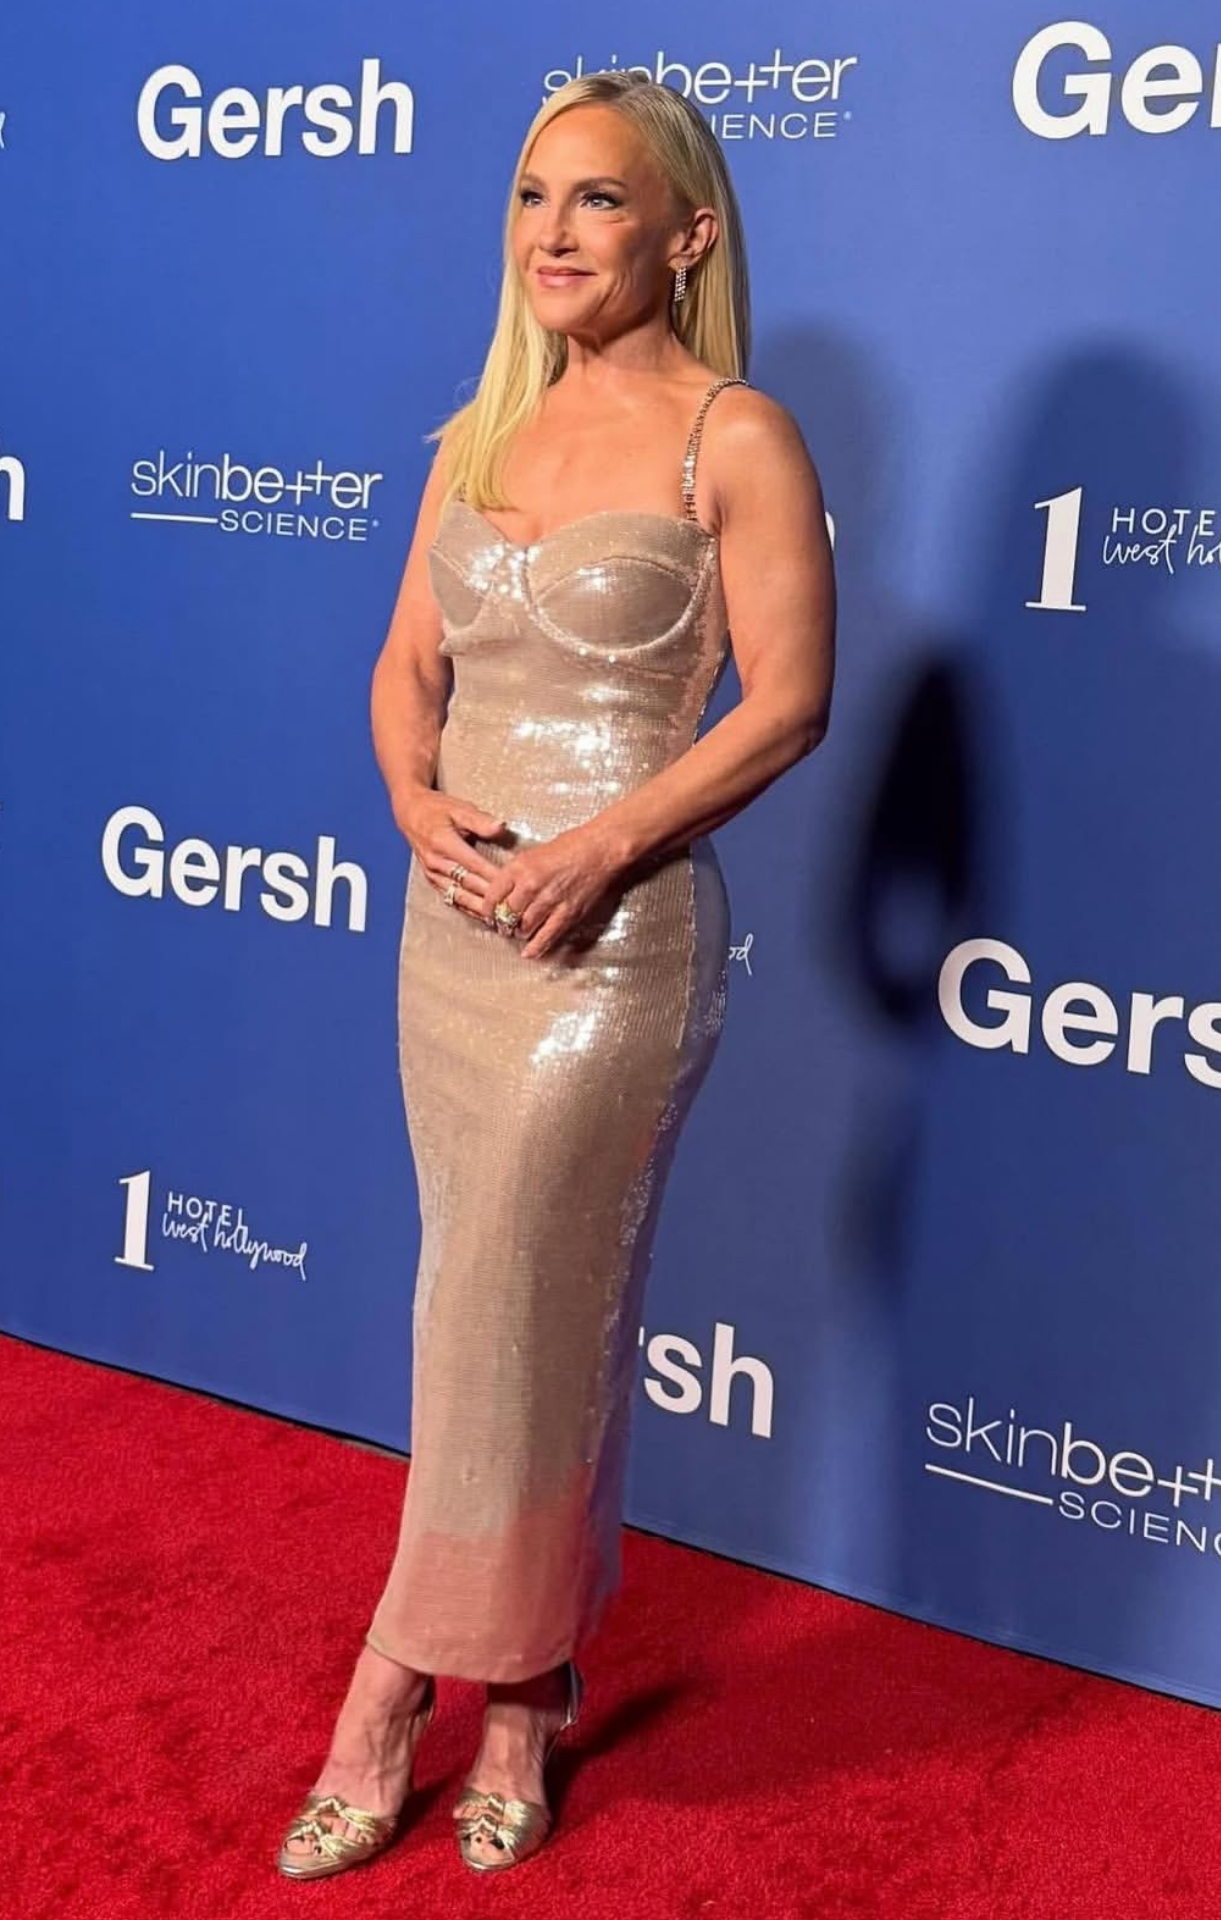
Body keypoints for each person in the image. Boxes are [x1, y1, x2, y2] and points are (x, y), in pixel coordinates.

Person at [276, 67, 835, 1879]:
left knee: (518, 1298)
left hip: (611, 948)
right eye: (531, 198)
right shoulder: (478, 434)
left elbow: (788, 703)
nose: (552, 233)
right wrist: (408, 800)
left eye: (597, 200)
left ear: (687, 233)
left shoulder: (733, 436)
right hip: (448, 935)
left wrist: (601, 847)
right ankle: (526, 1692)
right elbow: (404, 668)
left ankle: (387, 1690)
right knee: (494, 1312)